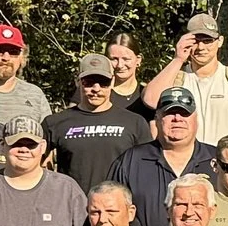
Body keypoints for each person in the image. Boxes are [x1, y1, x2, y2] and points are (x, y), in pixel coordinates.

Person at [111, 87, 220, 226]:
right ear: (157, 119)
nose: (177, 118)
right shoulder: (131, 160)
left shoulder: (218, 161)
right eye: (169, 113)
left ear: (196, 119)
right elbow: (113, 208)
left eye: (184, 113)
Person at [142, 14, 228, 144]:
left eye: (207, 41)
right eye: (195, 41)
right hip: (184, 156)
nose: (201, 47)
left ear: (220, 41)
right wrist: (178, 59)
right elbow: (150, 100)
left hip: (223, 156)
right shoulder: (174, 78)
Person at [45, 53, 152, 192]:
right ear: (78, 81)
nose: (96, 89)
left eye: (103, 82)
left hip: (117, 203)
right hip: (72, 202)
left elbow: (147, 169)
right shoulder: (55, 122)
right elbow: (33, 164)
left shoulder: (135, 123)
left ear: (112, 82)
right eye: (89, 82)